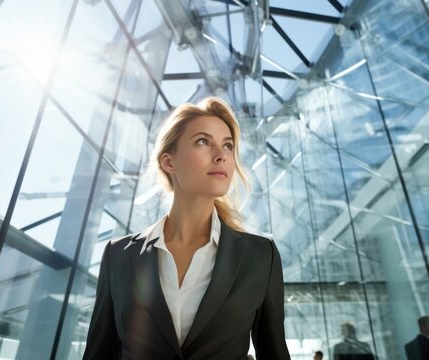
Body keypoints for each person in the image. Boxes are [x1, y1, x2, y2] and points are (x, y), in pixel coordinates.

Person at [82, 97, 290, 359]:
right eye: (203, 142)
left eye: (227, 146)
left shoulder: (261, 256)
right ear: (169, 162)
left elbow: (275, 353)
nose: (221, 155)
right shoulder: (119, 255)